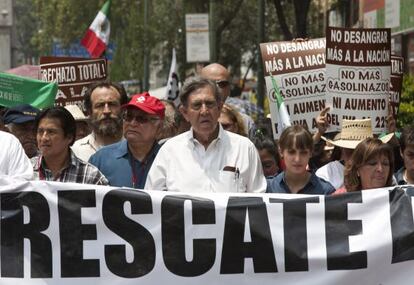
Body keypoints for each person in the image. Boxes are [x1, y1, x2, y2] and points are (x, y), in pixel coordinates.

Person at [145, 76, 266, 193]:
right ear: (185, 113)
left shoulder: (244, 148)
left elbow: (258, 201)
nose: (204, 111)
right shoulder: (169, 151)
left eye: (209, 104)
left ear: (219, 108)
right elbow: (152, 201)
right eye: (197, 105)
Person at [89, 92, 165, 189]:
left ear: (159, 127)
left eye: (141, 119)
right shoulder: (100, 159)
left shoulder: (169, 159)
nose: (132, 123)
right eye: (128, 117)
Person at [31, 107, 108, 185]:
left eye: (51, 132)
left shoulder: (90, 176)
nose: (44, 138)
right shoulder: (25, 170)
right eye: (40, 132)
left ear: (69, 137)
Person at [316, 118, 393, 189]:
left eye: (385, 163)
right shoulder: (326, 173)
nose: (380, 169)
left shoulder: (395, 191)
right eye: (372, 163)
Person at [267, 125, 335, 194]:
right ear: (281, 152)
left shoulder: (326, 191)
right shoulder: (268, 188)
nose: (297, 159)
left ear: (310, 153)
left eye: (303, 153)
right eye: (291, 152)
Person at [72, 81, 128, 162]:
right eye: (100, 105)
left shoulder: (137, 147)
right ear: (89, 112)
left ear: (123, 109)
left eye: (112, 104)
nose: (107, 111)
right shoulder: (75, 152)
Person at [200, 63, 255, 136]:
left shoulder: (245, 122)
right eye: (209, 83)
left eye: (222, 84)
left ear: (229, 89)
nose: (217, 88)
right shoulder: (189, 120)